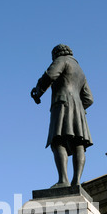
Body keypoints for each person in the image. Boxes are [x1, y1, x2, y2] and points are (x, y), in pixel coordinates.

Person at [31, 44, 93, 188]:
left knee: (57, 141)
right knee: (78, 143)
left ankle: (63, 180)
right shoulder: (80, 70)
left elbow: (50, 75)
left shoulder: (61, 60)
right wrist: (79, 108)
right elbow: (89, 98)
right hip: (78, 109)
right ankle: (76, 181)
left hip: (62, 104)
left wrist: (38, 91)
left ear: (56, 54)